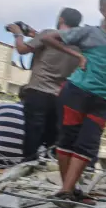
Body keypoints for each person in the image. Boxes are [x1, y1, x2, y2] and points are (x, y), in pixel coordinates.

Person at [35, 0, 106, 208]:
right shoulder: (88, 32)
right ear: (104, 10)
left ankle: (67, 190)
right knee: (68, 139)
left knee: (88, 143)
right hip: (77, 91)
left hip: (105, 100)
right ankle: (68, 190)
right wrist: (77, 55)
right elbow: (47, 38)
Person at [7, 8, 83, 162]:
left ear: (61, 19)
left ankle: (27, 165)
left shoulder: (47, 34)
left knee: (32, 136)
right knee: (51, 139)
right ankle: (46, 169)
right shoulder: (79, 45)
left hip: (38, 91)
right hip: (60, 96)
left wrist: (18, 34)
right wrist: (35, 35)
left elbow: (22, 50)